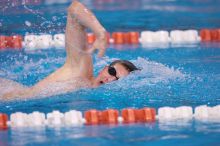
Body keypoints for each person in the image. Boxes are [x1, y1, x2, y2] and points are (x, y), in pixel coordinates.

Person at [0, 0, 138, 100]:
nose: (110, 78)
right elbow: (74, 9)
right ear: (105, 68)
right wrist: (100, 33)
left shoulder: (89, 96)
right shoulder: (80, 71)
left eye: (117, 80)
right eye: (112, 71)